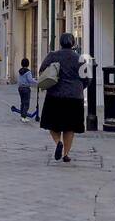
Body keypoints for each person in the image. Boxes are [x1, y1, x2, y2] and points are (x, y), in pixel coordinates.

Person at [39, 33, 88, 163]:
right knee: (70, 127)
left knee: (52, 125)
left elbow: (42, 71)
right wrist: (78, 88)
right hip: (74, 97)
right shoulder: (80, 58)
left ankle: (58, 143)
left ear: (60, 42)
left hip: (55, 95)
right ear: (73, 44)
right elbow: (87, 79)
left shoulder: (53, 56)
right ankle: (66, 154)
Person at [15, 58, 37, 122]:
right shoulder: (28, 71)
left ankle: (22, 115)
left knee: (22, 102)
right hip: (26, 88)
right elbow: (30, 80)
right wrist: (36, 81)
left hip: (20, 88)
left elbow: (19, 80)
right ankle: (24, 117)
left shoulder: (20, 71)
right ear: (28, 64)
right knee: (26, 103)